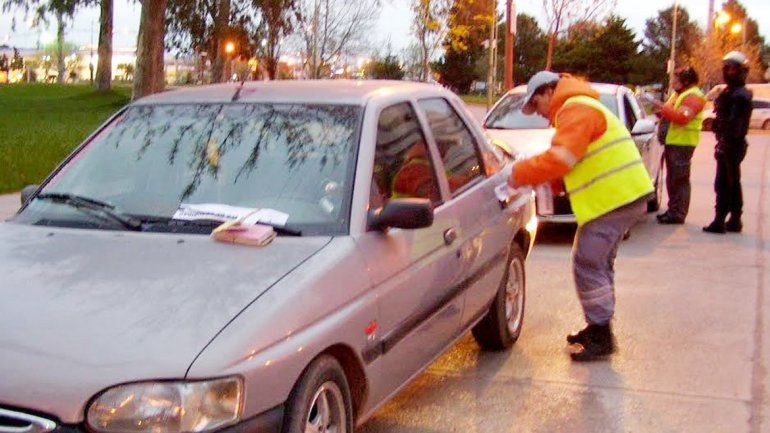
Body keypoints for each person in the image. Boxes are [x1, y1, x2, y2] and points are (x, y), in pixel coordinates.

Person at [508, 71, 653, 361]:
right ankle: (599, 327)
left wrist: (517, 173)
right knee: (598, 264)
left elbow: (561, 158)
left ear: (548, 91)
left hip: (614, 199)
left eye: (537, 105)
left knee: (588, 263)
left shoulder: (575, 108)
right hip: (620, 197)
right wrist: (552, 182)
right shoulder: (579, 106)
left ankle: (601, 334)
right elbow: (575, 160)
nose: (540, 114)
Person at [648, 67, 706, 224]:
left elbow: (681, 117)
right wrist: (661, 111)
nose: (673, 82)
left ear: (686, 81)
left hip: (683, 143)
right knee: (673, 179)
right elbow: (671, 112)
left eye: (676, 79)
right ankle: (673, 210)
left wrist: (662, 107)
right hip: (674, 141)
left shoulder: (693, 96)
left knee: (679, 179)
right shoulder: (679, 94)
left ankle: (678, 213)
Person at [703, 51, 753, 234]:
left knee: (724, 183)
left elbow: (734, 124)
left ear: (741, 71)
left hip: (732, 144)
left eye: (732, 69)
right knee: (731, 182)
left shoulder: (740, 95)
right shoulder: (731, 92)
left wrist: (724, 139)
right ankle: (734, 219)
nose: (728, 72)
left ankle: (721, 220)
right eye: (727, 68)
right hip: (729, 142)